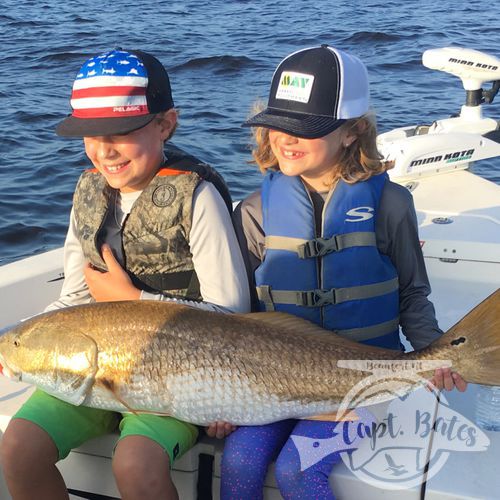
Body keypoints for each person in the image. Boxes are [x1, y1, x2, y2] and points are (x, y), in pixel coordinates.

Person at [0, 48, 250, 500]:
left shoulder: (198, 196)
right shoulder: (90, 193)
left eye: (121, 132)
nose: (104, 150)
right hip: (95, 373)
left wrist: (134, 301)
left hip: (177, 379)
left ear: (165, 124)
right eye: (89, 135)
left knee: (134, 464)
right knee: (17, 448)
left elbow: (231, 315)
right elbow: (74, 299)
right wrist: (16, 343)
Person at [221, 44, 467, 499]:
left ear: (353, 132)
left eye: (305, 129)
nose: (285, 139)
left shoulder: (391, 204)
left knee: (299, 468)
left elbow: (412, 293)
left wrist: (435, 352)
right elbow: (244, 315)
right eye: (277, 125)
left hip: (364, 380)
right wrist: (228, 394)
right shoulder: (254, 212)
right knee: (238, 458)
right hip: (273, 381)